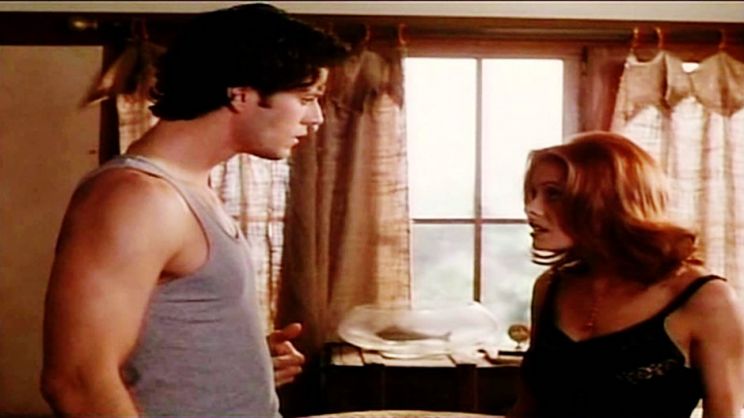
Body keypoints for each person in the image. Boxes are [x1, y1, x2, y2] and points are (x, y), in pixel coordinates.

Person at [40, 3, 350, 417]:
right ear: (240, 94)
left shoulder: (191, 187)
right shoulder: (137, 197)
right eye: (306, 98)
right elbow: (75, 382)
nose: (316, 118)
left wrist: (243, 362)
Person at [508, 131, 744, 418]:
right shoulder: (550, 286)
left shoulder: (706, 300)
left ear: (610, 200)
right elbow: (526, 409)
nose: (531, 209)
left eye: (553, 194)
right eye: (533, 194)